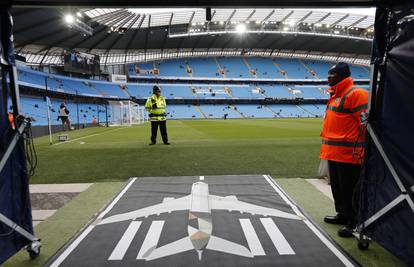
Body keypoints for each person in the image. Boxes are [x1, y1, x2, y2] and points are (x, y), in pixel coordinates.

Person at [320, 62, 368, 238]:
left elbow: (365, 123)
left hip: (350, 155)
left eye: (332, 74)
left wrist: (361, 148)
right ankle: (343, 214)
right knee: (339, 189)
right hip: (334, 153)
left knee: (350, 190)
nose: (328, 77)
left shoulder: (356, 94)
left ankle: (355, 222)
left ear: (342, 76)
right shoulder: (335, 95)